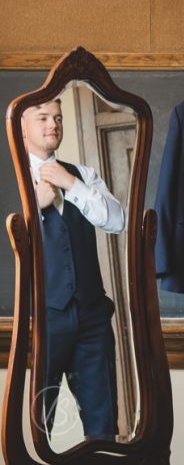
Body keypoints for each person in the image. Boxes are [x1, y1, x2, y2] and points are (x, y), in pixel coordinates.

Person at [21, 99, 125, 441]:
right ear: (23, 125)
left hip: (93, 320)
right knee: (37, 430)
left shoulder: (83, 175)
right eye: (44, 118)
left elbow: (117, 221)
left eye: (58, 117)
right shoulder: (13, 179)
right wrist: (35, 208)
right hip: (43, 322)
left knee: (103, 428)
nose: (54, 124)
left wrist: (72, 185)